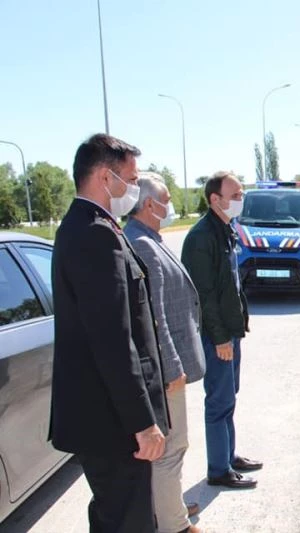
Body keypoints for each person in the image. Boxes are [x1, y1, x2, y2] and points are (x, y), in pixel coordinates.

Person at [50, 133, 168, 532]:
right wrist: (143, 422)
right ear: (105, 177)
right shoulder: (94, 234)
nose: (134, 188)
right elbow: (113, 340)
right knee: (129, 521)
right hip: (113, 423)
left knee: (115, 517)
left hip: (107, 418)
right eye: (130, 179)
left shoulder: (91, 226)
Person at [124, 174, 206, 533]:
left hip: (168, 368)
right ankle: (174, 524)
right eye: (166, 199)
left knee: (173, 448)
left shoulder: (150, 238)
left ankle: (168, 504)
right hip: (165, 372)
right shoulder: (141, 243)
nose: (170, 205)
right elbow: (154, 316)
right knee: (172, 448)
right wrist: (171, 368)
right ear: (148, 205)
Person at [181, 170, 261, 489]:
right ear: (216, 200)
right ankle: (218, 469)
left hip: (230, 331)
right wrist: (219, 338)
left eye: (242, 194)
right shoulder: (202, 237)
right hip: (218, 336)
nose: (241, 200)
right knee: (218, 401)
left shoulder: (226, 228)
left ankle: (228, 456)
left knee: (229, 396)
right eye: (236, 195)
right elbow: (204, 295)